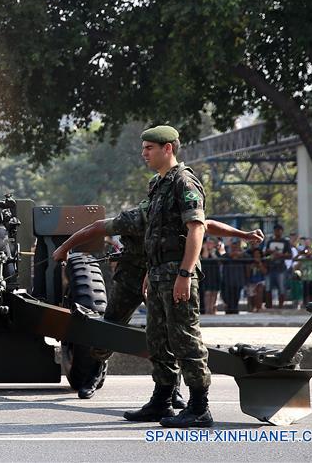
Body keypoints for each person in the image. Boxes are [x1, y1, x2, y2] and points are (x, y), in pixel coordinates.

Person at [52, 205, 261, 401]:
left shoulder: (177, 217)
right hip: (131, 278)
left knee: (167, 334)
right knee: (110, 326)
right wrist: (64, 248)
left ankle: (172, 389)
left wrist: (244, 235)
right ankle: (94, 372)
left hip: (161, 278)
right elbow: (97, 227)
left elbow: (207, 224)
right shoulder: (136, 218)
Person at [126, 125, 212, 428]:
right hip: (159, 273)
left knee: (185, 339)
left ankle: (199, 407)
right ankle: (161, 400)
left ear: (168, 149)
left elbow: (196, 229)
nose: (144, 153)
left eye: (149, 148)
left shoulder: (183, 181)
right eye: (143, 148)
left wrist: (185, 273)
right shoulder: (158, 184)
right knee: (158, 340)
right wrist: (151, 272)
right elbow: (156, 232)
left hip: (177, 273)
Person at [263, 225, 292, 308]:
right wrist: (269, 252)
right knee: (268, 288)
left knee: (281, 288)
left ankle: (280, 306)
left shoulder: (285, 242)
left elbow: (290, 255)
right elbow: (265, 253)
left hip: (281, 268)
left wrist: (280, 255)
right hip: (270, 268)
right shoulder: (270, 241)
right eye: (276, 230)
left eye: (279, 230)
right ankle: (269, 306)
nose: (277, 232)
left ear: (282, 231)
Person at [219, 238, 247, 315]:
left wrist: (240, 255)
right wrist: (230, 255)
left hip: (238, 279)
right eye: (233, 245)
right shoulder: (226, 254)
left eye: (236, 245)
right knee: (227, 296)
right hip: (227, 279)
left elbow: (249, 258)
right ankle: (229, 309)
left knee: (236, 296)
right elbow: (221, 259)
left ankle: (235, 309)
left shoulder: (243, 254)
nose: (234, 247)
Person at [200, 237, 220, 315]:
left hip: (215, 274)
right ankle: (207, 310)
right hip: (206, 275)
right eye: (208, 243)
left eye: (211, 243)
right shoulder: (202, 251)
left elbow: (218, 261)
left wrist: (212, 252)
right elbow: (204, 258)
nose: (209, 244)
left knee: (214, 292)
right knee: (207, 293)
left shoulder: (216, 252)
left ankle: (212, 310)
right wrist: (205, 249)